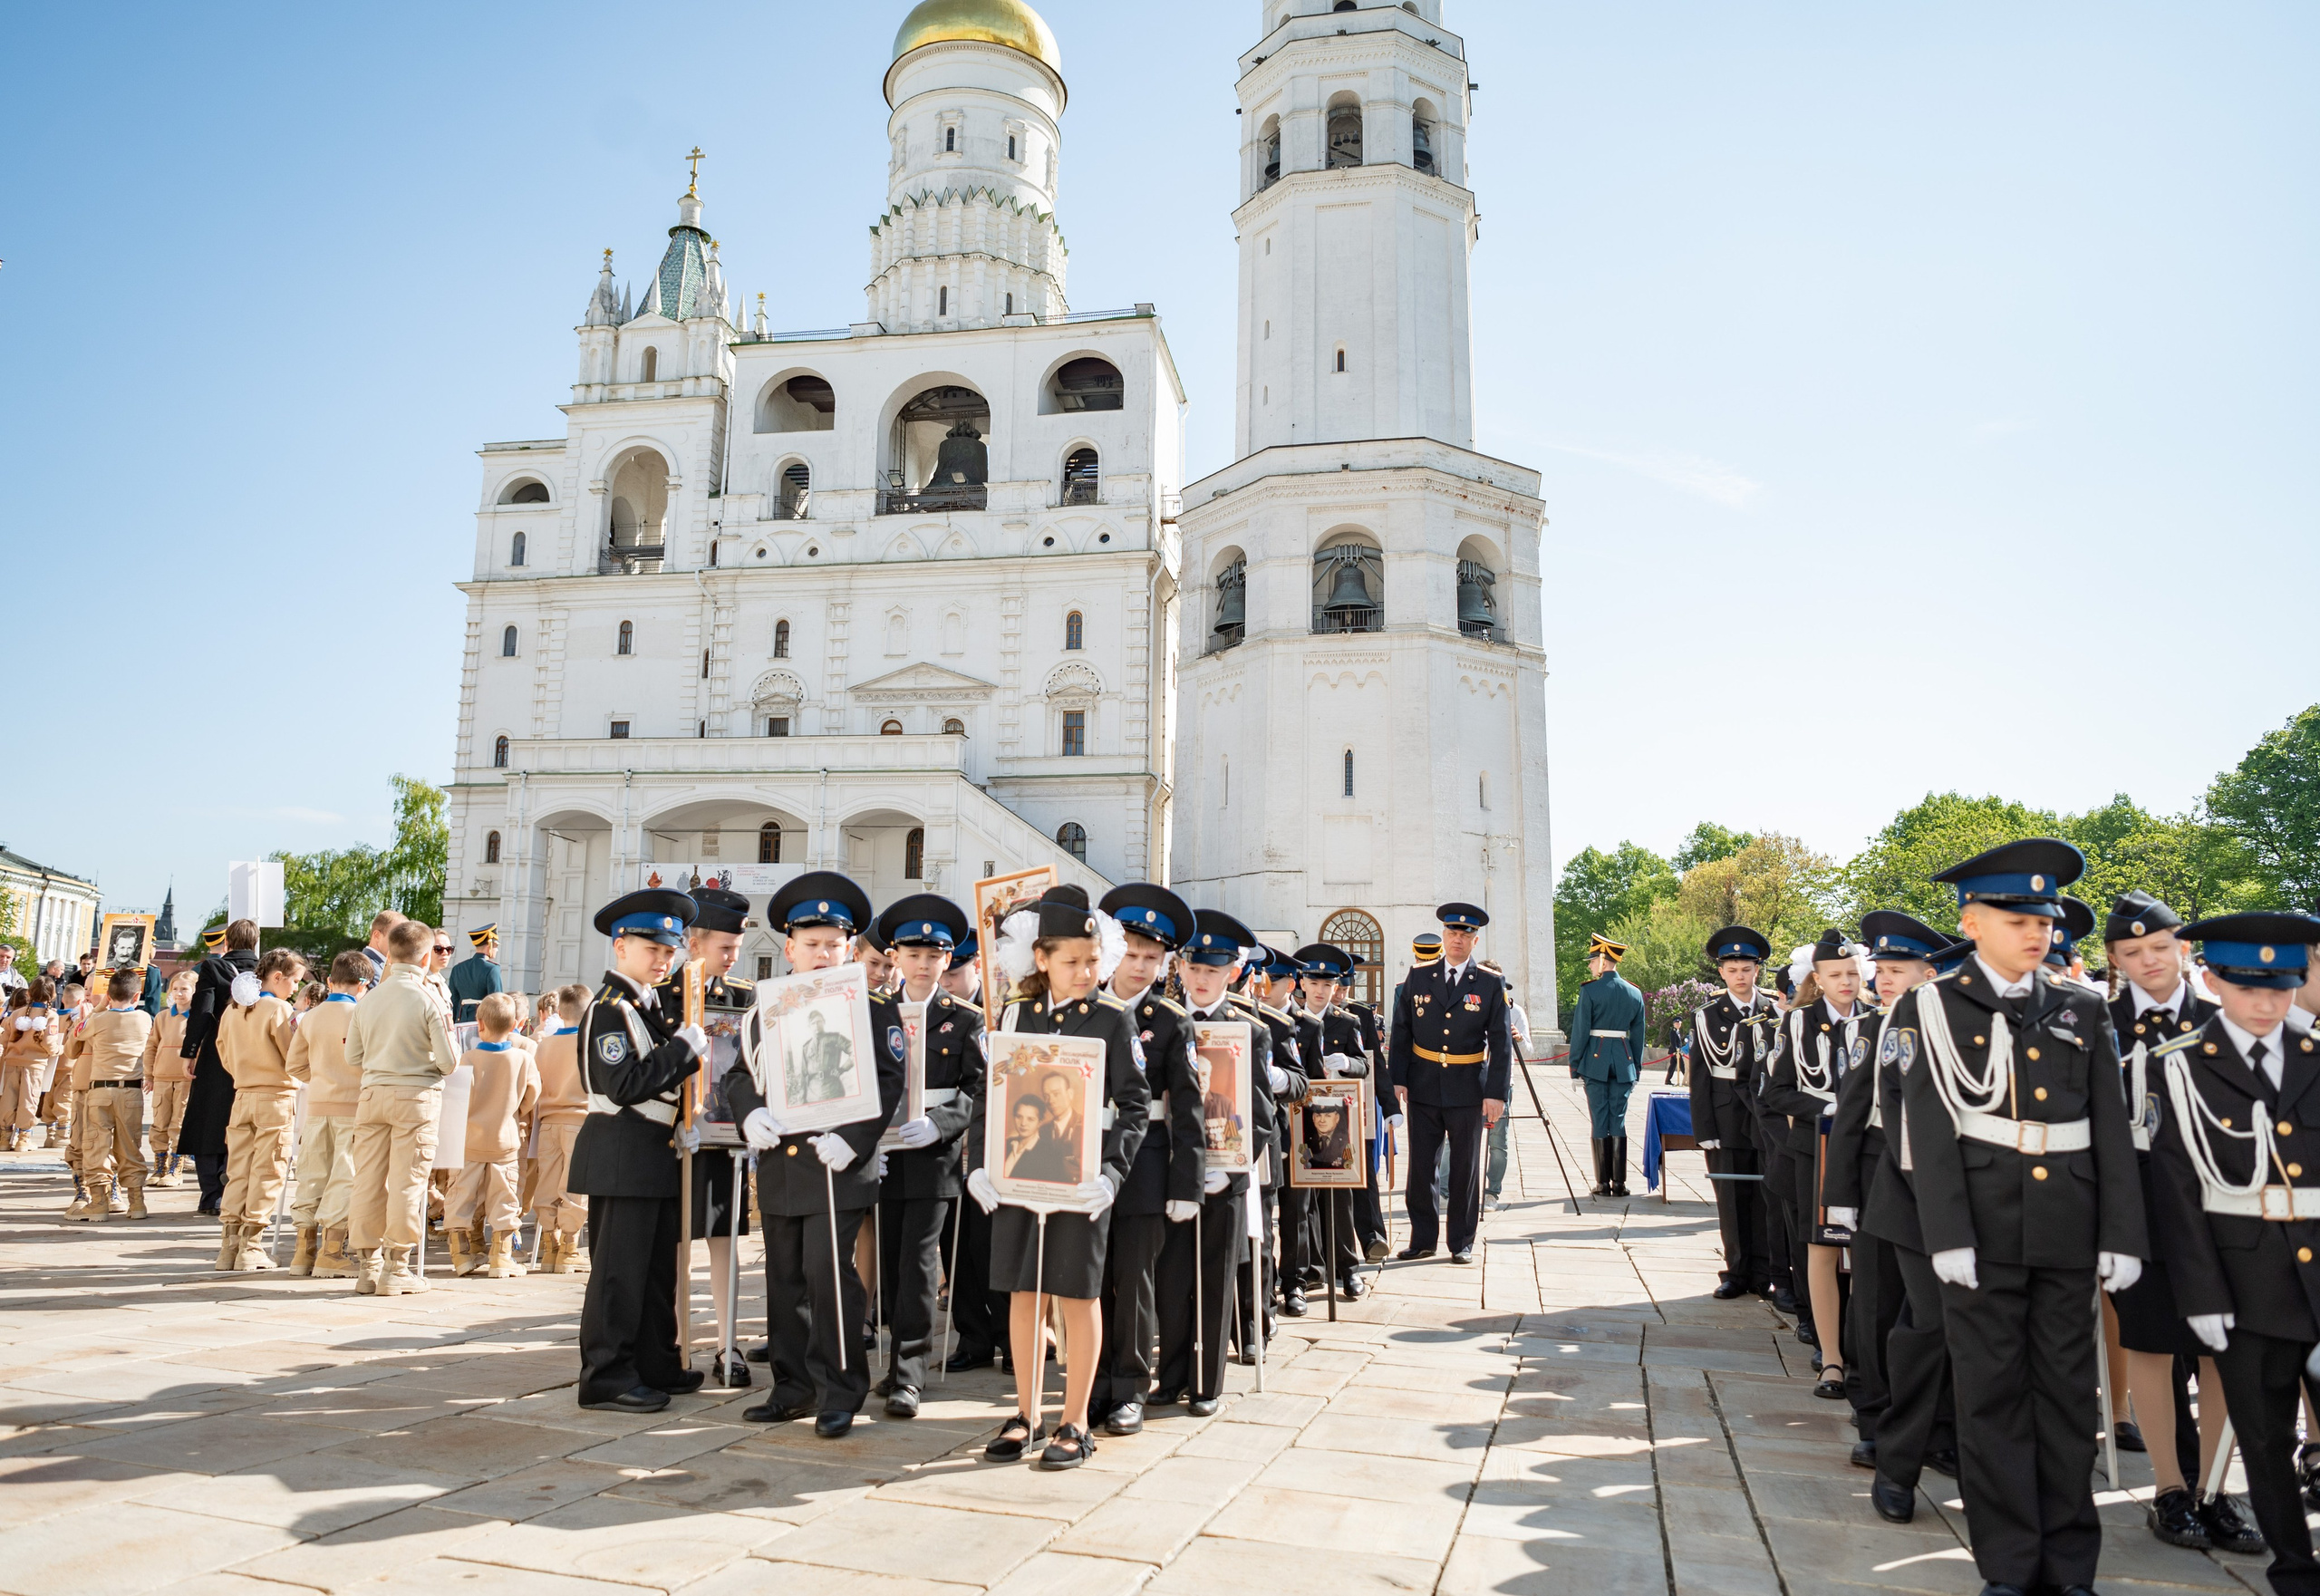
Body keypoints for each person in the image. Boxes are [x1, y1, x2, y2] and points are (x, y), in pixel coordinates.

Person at [1893, 837, 2147, 1595]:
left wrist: (2122, 1233)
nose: (2036, 930)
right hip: (1983, 1233)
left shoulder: (2081, 1004)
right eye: (2014, 916)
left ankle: (2071, 1569)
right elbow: (1929, 1130)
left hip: (2067, 1228)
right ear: (1972, 921)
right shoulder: (1929, 1007)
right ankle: (2008, 1567)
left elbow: (2112, 1125)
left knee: (2071, 1402)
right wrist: (1947, 1236)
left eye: (2042, 917)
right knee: (1992, 1401)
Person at [2146, 910, 2320, 1596]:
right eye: (2250, 986)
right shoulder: (2181, 1066)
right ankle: (2294, 1568)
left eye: (2280, 986)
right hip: (2243, 1280)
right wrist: (2203, 1293)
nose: (2266, 1002)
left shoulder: (2315, 1057)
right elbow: (2179, 1195)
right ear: (2215, 978)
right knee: (2267, 1440)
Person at [963, 885, 1149, 1469]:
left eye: (1092, 961)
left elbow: (1136, 1107)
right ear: (1041, 958)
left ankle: (1075, 1421)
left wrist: (1114, 1174)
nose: (1085, 972)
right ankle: (1026, 1413)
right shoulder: (1016, 1015)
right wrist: (978, 1166)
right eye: (1071, 961)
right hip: (1021, 1173)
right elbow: (988, 1097)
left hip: (1080, 1177)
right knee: (1023, 1292)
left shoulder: (1113, 1021)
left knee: (1076, 1292)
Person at [729, 871, 904, 1437]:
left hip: (836, 1162)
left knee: (829, 1276)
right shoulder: (767, 1007)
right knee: (783, 1280)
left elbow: (888, 1077)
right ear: (790, 949)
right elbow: (740, 1074)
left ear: (849, 947)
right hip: (782, 1161)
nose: (823, 953)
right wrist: (749, 1111)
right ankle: (793, 1387)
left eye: (834, 943)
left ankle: (840, 1391)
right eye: (812, 944)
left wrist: (853, 1139)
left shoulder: (872, 1007)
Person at [2100, 890, 2244, 1552]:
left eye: (2160, 947)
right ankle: (2169, 1489)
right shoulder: (2095, 1023)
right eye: (2133, 953)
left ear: (2183, 946)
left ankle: (2215, 1491)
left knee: (2221, 1354)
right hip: (2139, 1211)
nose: (2149, 961)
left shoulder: (2226, 1019)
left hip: (2220, 1215)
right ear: (2114, 959)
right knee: (2151, 1345)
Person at [570, 888, 710, 1410]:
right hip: (622, 1152)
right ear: (619, 946)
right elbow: (624, 1084)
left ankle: (655, 1363)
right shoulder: (610, 1010)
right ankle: (606, 1377)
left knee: (654, 1273)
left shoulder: (642, 1008)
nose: (663, 959)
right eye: (652, 948)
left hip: (651, 1151)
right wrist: (682, 1051)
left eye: (670, 951)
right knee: (618, 1273)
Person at [1821, 912, 1944, 1465]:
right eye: (1882, 969)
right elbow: (1848, 1119)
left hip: (1935, 1175)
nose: (1884, 979)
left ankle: (1938, 1424)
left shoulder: (1948, 1025)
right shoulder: (1863, 1029)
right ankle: (1873, 1413)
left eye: (1898, 970)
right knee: (1874, 1298)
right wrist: (1839, 1196)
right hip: (1874, 1165)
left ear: (1928, 973)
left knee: (1931, 1307)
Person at [1086, 883, 1202, 1436]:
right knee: (1087, 1279)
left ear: (1166, 962)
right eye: (1130, 954)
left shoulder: (1173, 1021)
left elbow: (1189, 1111)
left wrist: (1187, 1185)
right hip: (1082, 1159)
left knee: (1134, 1280)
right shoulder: (1086, 1006)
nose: (1139, 966)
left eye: (1151, 958)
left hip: (1146, 1164)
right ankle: (1091, 1384)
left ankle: (1128, 1387)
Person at [871, 891, 983, 1419]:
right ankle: (894, 1364)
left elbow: (980, 1088)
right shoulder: (873, 1014)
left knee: (918, 1264)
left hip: (932, 1154)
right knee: (890, 1265)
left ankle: (910, 1374)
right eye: (913, 954)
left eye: (933, 955)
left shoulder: (964, 1018)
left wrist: (939, 1125)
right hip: (879, 1152)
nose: (922, 964)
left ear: (947, 959)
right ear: (895, 955)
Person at [1155, 909, 1271, 1412]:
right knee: (1171, 1278)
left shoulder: (1251, 1031)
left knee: (1216, 1279)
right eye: (1194, 969)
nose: (1202, 980)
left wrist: (1232, 1166)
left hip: (1227, 1176)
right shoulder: (1161, 1024)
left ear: (1231, 973)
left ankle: (1206, 1384)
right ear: (1180, 970)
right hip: (1172, 1172)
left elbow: (1262, 1112)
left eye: (1213, 970)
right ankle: (1171, 1375)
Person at [1763, 930, 1872, 1398]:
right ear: (1818, 979)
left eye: (1852, 973)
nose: (1845, 981)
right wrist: (1825, 1109)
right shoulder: (1799, 1022)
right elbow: (1777, 1092)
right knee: (1821, 1250)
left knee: (1867, 1254)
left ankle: (1864, 1350)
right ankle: (1830, 1357)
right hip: (1817, 1150)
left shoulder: (1880, 1018)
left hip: (1871, 1151)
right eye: (1835, 974)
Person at [653, 886, 757, 1385]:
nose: (732, 956)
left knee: (724, 1241)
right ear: (694, 944)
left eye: (736, 947)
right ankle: (676, 1340)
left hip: (723, 1141)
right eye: (724, 947)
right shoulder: (660, 998)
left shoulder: (741, 998)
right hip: (673, 1141)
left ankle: (727, 1343)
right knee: (675, 1245)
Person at [1387, 903, 1513, 1262]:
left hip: (1468, 1087)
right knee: (1421, 1168)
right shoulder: (1419, 976)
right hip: (1424, 1084)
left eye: (1466, 934)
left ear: (1475, 941)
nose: (1458, 940)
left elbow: (1501, 1043)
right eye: (1452, 933)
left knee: (1464, 1168)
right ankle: (1422, 1239)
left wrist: (1496, 1094)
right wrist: (1397, 1080)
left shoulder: (1490, 984)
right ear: (1444, 936)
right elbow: (1402, 1031)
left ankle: (1461, 1242)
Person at [344, 918, 463, 1296]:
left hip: (373, 1093)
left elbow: (353, 1056)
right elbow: (449, 1062)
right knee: (407, 1182)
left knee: (367, 1181)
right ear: (427, 956)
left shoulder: (369, 999)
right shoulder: (429, 997)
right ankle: (397, 1266)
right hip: (415, 1096)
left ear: (390, 953)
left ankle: (368, 1266)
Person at [1690, 926, 1779, 1298]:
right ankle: (1736, 1272)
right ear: (1721, 973)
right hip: (1725, 1115)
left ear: (1757, 970)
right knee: (1730, 1197)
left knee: (1767, 1197)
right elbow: (1699, 1077)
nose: (1740, 976)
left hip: (1764, 1115)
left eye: (1746, 969)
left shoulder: (1774, 1010)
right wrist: (1704, 1128)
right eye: (1732, 970)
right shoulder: (1708, 1015)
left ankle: (1765, 1273)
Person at [215, 948, 308, 1271]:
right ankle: (251, 1245)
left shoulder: (233, 1010)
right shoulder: (278, 1009)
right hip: (276, 1097)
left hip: (242, 1095)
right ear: (278, 977)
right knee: (268, 1171)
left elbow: (224, 1054)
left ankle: (228, 1246)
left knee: (239, 1170)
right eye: (294, 980)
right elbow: (292, 1056)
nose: (296, 987)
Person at [284, 951, 370, 1277]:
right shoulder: (363, 1015)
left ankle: (302, 1252)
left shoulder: (311, 1016)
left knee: (312, 1176)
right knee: (343, 1177)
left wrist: (320, 1079)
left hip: (318, 1105)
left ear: (331, 980)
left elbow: (294, 1065)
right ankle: (332, 1252)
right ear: (363, 984)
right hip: (354, 1106)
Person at [1291, 940, 1368, 1297]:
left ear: (1337, 987)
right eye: (1315, 983)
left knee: (1339, 1195)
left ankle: (1348, 1267)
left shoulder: (1346, 1021)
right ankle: (1310, 1268)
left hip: (1337, 1116)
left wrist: (1347, 1064)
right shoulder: (1290, 1023)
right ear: (1301, 983)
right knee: (1303, 1199)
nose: (1322, 991)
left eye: (1329, 985)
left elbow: (1364, 1064)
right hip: (1300, 1115)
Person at [448, 991, 541, 1279]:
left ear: (479, 1023)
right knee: (505, 1197)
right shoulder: (523, 1059)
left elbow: (457, 1096)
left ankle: (460, 1254)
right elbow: (532, 1096)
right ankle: (501, 1258)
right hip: (505, 1139)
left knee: (461, 1196)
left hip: (470, 1140)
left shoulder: (467, 1058)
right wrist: (514, 1111)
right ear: (515, 1024)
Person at [179, 921, 258, 1214]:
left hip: (217, 1051)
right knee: (243, 1121)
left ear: (227, 943)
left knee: (209, 1120)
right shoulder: (264, 971)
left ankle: (212, 1194)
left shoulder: (213, 969)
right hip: (255, 1053)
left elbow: (202, 1011)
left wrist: (190, 1052)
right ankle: (239, 1192)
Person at [65, 968, 152, 1222]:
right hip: (132, 1091)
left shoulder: (98, 1020)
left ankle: (99, 1202)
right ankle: (136, 1203)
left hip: (101, 1090)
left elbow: (77, 1033)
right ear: (137, 996)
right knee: (130, 1147)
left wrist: (99, 1008)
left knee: (96, 1146)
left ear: (109, 995)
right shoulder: (144, 1018)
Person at [1567, 932, 1647, 1198]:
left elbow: (1580, 1032)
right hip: (1623, 1062)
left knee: (1600, 1119)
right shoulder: (1634, 993)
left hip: (1595, 1063)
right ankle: (1620, 1184)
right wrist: (1636, 1067)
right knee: (1619, 1121)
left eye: (1592, 960)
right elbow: (1639, 1036)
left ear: (1603, 960)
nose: (1590, 965)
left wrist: (1574, 1066)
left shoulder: (1590, 990)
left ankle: (1602, 1183)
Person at [529, 983, 594, 1274]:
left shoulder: (544, 1044)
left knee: (548, 1184)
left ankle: (549, 1245)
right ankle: (569, 1246)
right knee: (575, 1186)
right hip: (579, 1121)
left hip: (548, 1122)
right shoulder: (589, 1044)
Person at [141, 970, 197, 1185]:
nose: (179, 993)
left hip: (185, 1079)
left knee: (179, 1123)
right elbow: (151, 1046)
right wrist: (149, 1074)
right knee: (159, 1122)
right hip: (162, 1077)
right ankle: (159, 1166)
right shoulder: (162, 1017)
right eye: (175, 989)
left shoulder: (198, 1018)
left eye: (184, 989)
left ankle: (176, 1168)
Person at [1, 980, 62, 1155]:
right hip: (35, 1065)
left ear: (29, 993)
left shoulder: (17, 1013)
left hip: (12, 1062)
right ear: (52, 996)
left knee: (8, 1099)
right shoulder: (50, 1015)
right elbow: (49, 1042)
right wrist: (59, 1050)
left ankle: (4, 1138)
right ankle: (23, 1138)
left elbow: (4, 1039)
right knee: (29, 1099)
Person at [446, 924, 505, 1024]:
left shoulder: (457, 969)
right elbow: (497, 1003)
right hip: (483, 1024)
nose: (497, 949)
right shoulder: (492, 969)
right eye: (496, 946)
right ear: (489, 945)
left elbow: (453, 1001)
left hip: (460, 1023)